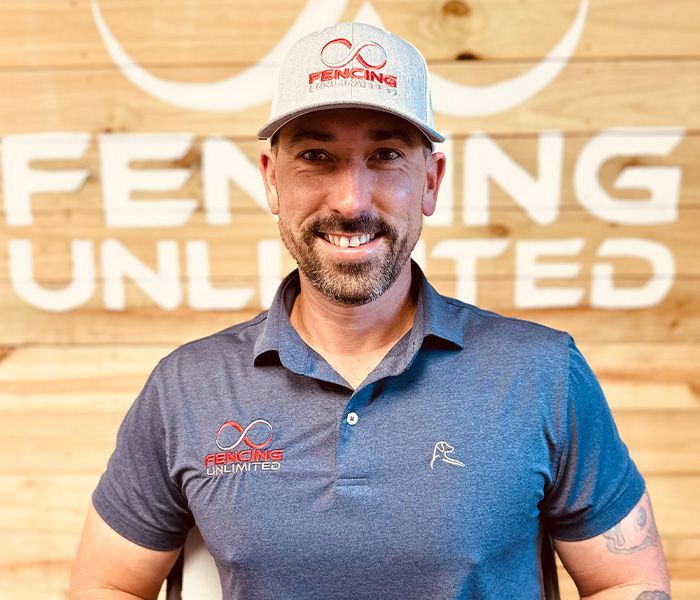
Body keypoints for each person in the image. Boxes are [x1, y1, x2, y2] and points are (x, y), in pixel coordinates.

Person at [71, 22, 671, 599]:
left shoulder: (542, 373)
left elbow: (627, 582)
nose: (352, 200)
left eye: (385, 155)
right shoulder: (188, 386)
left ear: (431, 181)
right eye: (315, 156)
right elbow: (108, 584)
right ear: (271, 180)